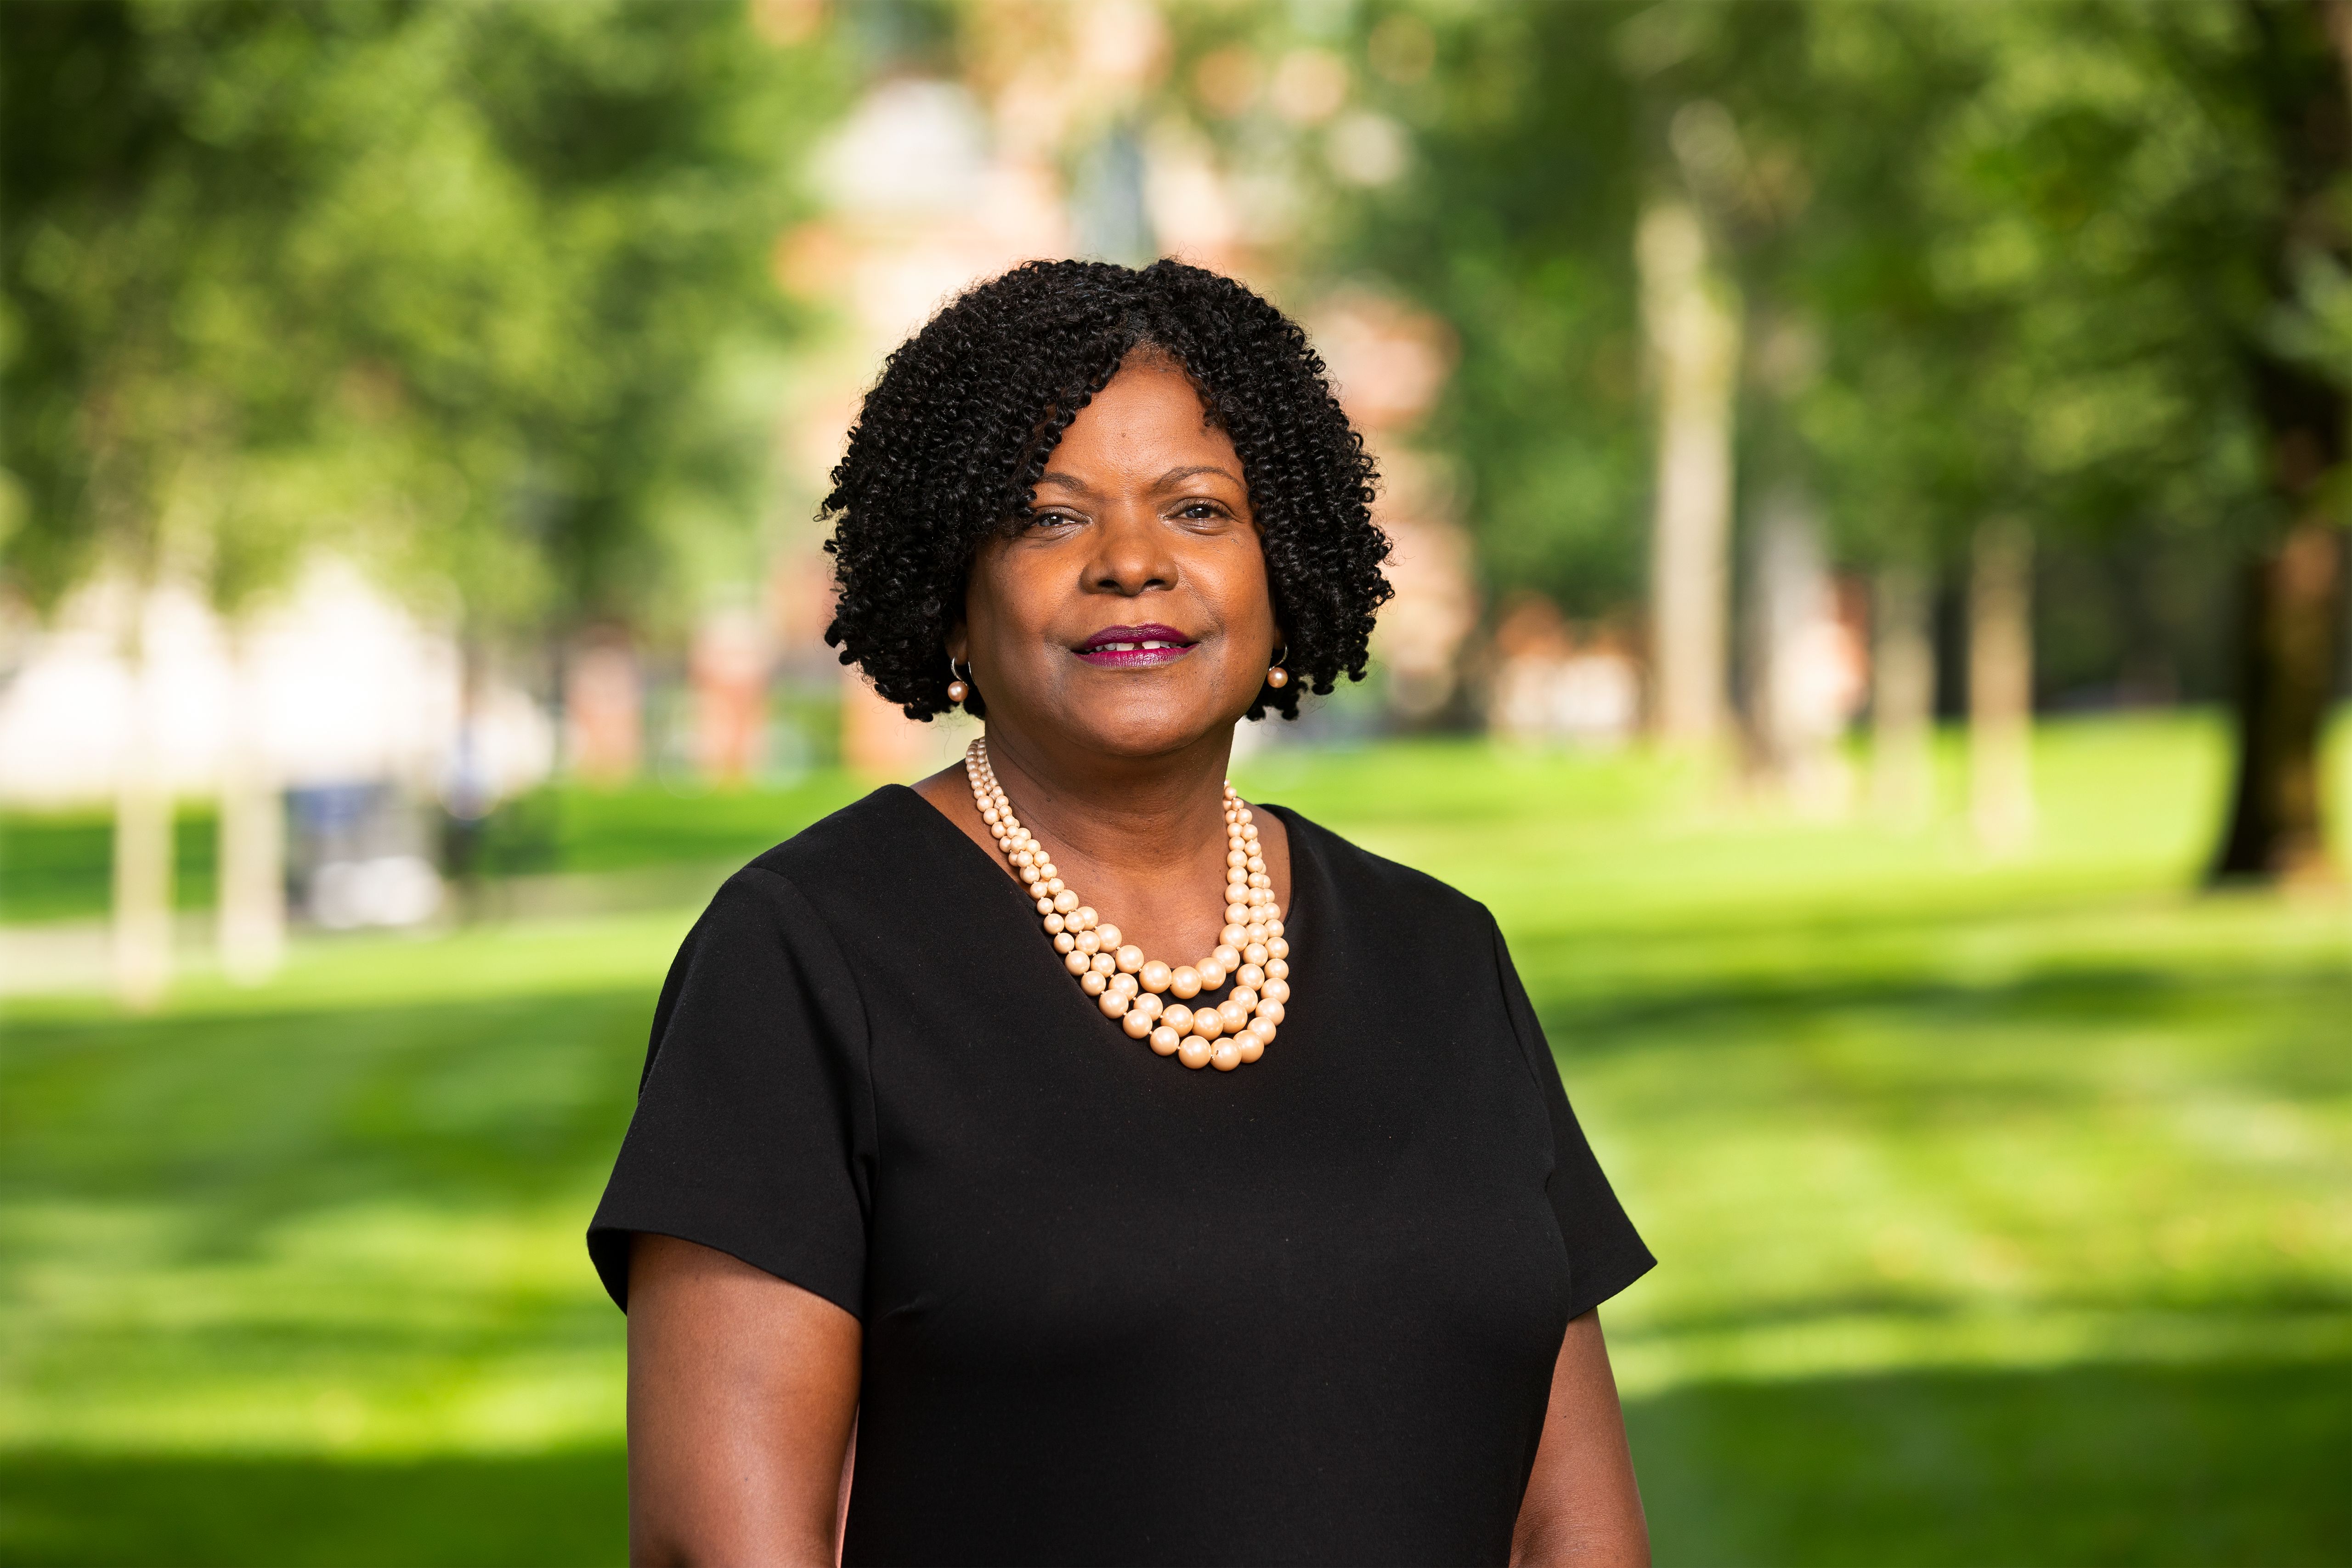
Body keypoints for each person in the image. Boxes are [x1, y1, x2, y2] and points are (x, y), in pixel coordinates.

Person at [588, 259, 1655, 1567]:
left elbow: (1578, 1530)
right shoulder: (805, 961)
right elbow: (725, 1549)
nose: (1133, 565)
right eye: (1049, 519)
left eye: (1200, 510)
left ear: (1285, 568)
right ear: (953, 594)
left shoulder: (1440, 958)